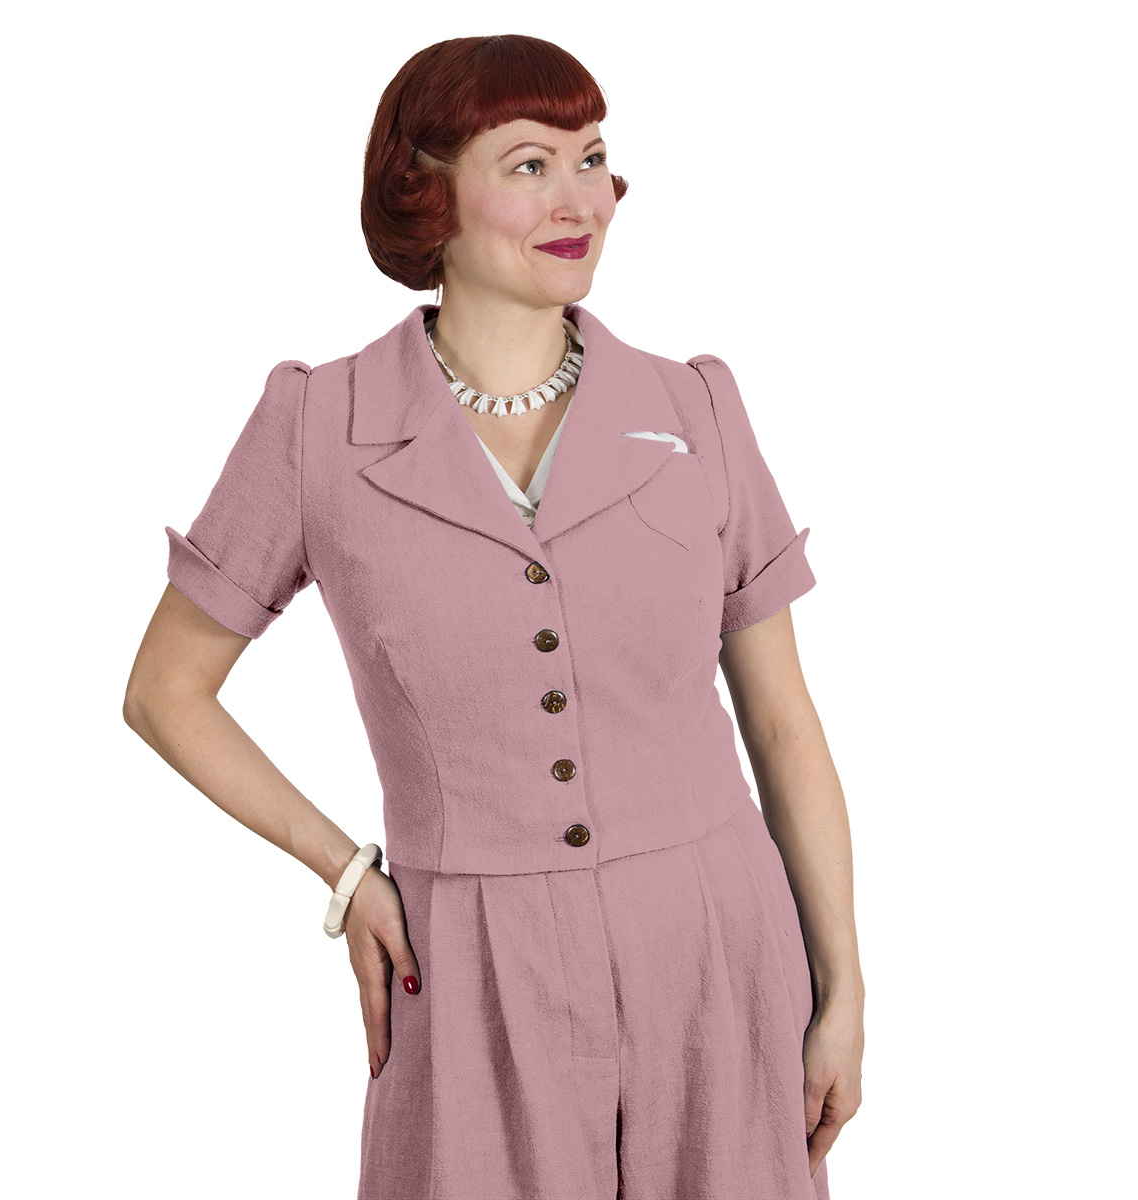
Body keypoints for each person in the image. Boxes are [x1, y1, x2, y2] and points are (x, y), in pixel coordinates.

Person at [123, 33, 864, 1200]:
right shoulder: (319, 428)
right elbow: (166, 692)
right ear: (426, 191)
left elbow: (781, 720)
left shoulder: (695, 407)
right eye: (529, 165)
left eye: (593, 158)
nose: (581, 201)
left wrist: (844, 987)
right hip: (469, 969)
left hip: (717, 949)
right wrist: (345, 873)